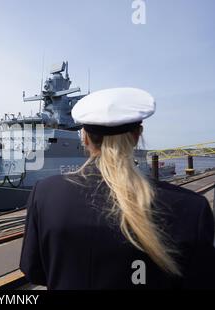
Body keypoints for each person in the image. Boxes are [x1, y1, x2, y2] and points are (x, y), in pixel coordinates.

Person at [19, 88, 215, 289]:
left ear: (84, 137)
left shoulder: (44, 194)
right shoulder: (192, 208)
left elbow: (35, 272)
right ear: (137, 135)